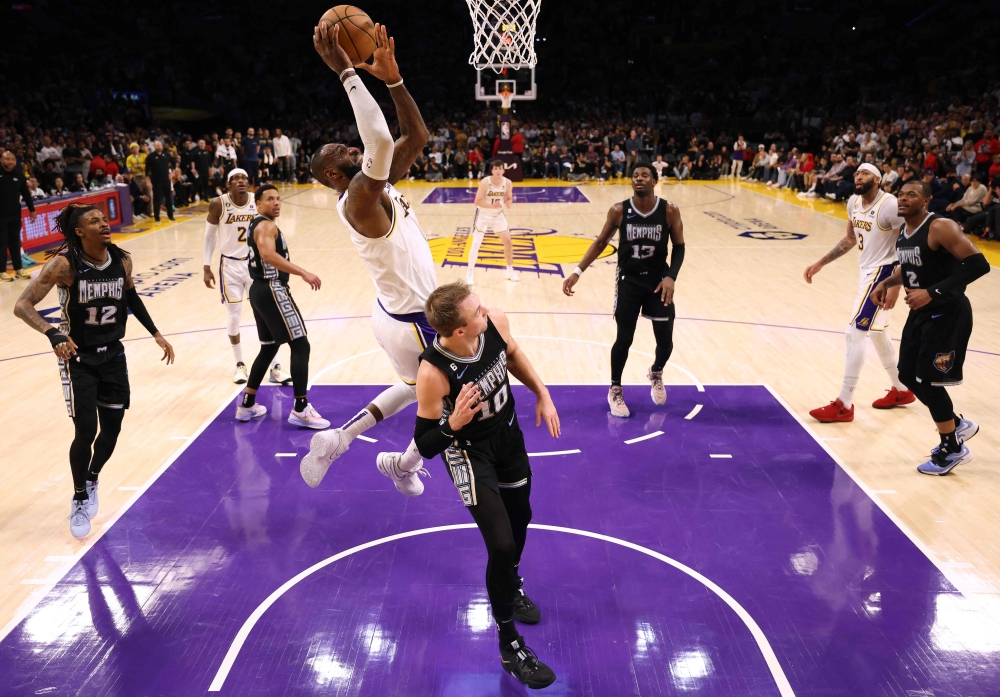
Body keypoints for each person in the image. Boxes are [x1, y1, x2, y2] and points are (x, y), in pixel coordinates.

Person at [300, 22, 439, 496]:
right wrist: (346, 72)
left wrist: (395, 80)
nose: (351, 146)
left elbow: (415, 136)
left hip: (394, 312)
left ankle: (340, 438)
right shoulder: (359, 198)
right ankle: (403, 464)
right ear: (333, 173)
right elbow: (379, 140)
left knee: (414, 386)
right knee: (454, 396)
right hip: (415, 319)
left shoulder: (375, 187)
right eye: (342, 151)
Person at [413, 281, 559, 689]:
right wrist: (452, 424)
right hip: (468, 453)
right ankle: (509, 644)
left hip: (507, 436)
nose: (486, 310)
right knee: (501, 544)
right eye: (477, 311)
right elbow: (425, 443)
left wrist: (542, 392)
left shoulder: (494, 322)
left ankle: (511, 584)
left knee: (521, 517)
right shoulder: (433, 372)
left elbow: (511, 353)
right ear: (459, 330)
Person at [13, 204, 175, 537]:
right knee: (85, 431)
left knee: (112, 430)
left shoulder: (122, 260)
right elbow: (22, 305)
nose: (103, 223)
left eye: (103, 219)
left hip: (113, 355)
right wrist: (53, 332)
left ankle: (92, 478)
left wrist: (156, 333)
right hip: (79, 359)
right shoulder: (64, 265)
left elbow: (132, 298)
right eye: (94, 221)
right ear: (79, 231)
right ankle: (78, 497)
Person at [870, 180, 990, 475]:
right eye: (901, 194)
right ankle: (956, 423)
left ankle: (952, 448)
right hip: (921, 312)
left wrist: (932, 292)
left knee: (928, 380)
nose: (903, 198)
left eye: (911, 194)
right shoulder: (904, 232)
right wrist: (887, 282)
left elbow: (979, 265)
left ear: (926, 200)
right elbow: (911, 267)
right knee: (906, 374)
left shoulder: (940, 226)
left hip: (948, 312)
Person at [562, 164, 685, 417]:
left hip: (658, 282)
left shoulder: (669, 210)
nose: (639, 179)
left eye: (645, 175)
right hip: (629, 282)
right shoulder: (619, 210)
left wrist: (671, 277)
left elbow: (680, 246)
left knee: (665, 341)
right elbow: (600, 242)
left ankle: (656, 371)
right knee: (624, 338)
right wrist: (577, 272)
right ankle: (615, 388)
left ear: (654, 181)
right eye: (635, 175)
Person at [803, 163, 915, 422]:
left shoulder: (889, 205)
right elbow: (851, 239)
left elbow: (906, 246)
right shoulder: (853, 201)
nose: (858, 177)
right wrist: (820, 263)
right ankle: (901, 389)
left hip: (884, 274)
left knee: (854, 333)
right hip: (866, 272)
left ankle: (844, 403)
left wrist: (895, 285)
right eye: (856, 173)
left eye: (865, 173)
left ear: (878, 180)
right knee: (877, 332)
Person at [238, 185, 328, 429]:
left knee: (269, 347)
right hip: (272, 288)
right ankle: (300, 408)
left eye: (278, 198)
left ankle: (247, 404)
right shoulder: (266, 225)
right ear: (258, 204)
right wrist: (303, 272)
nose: (276, 202)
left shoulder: (256, 224)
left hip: (259, 290)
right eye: (269, 199)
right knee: (300, 344)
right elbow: (268, 255)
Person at [203, 168, 291, 385]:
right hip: (229, 266)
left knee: (265, 313)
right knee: (234, 314)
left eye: (244, 177)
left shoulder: (257, 202)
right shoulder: (218, 204)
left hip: (255, 265)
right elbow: (209, 236)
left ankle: (275, 367)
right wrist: (206, 266)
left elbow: (270, 229)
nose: (241, 181)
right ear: (228, 184)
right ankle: (239, 364)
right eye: (235, 178)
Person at [467, 159, 516, 285]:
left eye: (500, 168)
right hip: (483, 214)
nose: (498, 171)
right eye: (496, 169)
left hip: (498, 214)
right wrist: (491, 206)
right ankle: (470, 273)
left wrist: (508, 203)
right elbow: (477, 201)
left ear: (503, 170)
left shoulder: (508, 182)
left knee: (508, 241)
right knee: (476, 243)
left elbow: (509, 198)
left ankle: (509, 271)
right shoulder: (485, 182)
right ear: (492, 171)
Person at [1, 150, 37, 281]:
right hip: (0, 216)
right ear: (1, 160)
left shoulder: (19, 175)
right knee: (2, 243)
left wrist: (32, 210)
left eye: (12, 159)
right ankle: (2, 271)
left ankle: (19, 269)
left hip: (15, 214)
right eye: (7, 159)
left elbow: (26, 194)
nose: (10, 162)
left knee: (15, 242)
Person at [145, 140, 174, 223]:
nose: (159, 147)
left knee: (169, 198)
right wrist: (148, 181)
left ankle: (171, 216)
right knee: (157, 199)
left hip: (166, 179)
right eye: (157, 145)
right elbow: (147, 170)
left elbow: (174, 163)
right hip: (156, 180)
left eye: (160, 145)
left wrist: (173, 172)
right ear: (154, 146)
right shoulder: (150, 156)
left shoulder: (167, 154)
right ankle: (157, 217)